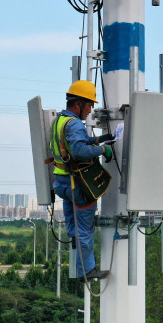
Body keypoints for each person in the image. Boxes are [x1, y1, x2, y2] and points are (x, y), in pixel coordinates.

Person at [51, 80, 114, 281]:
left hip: (61, 183)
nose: (90, 111)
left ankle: (79, 257)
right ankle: (86, 271)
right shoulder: (76, 123)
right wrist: (102, 149)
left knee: (74, 227)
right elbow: (78, 151)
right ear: (78, 104)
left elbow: (72, 143)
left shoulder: (61, 120)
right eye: (89, 105)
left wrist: (97, 140)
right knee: (84, 229)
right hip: (76, 184)